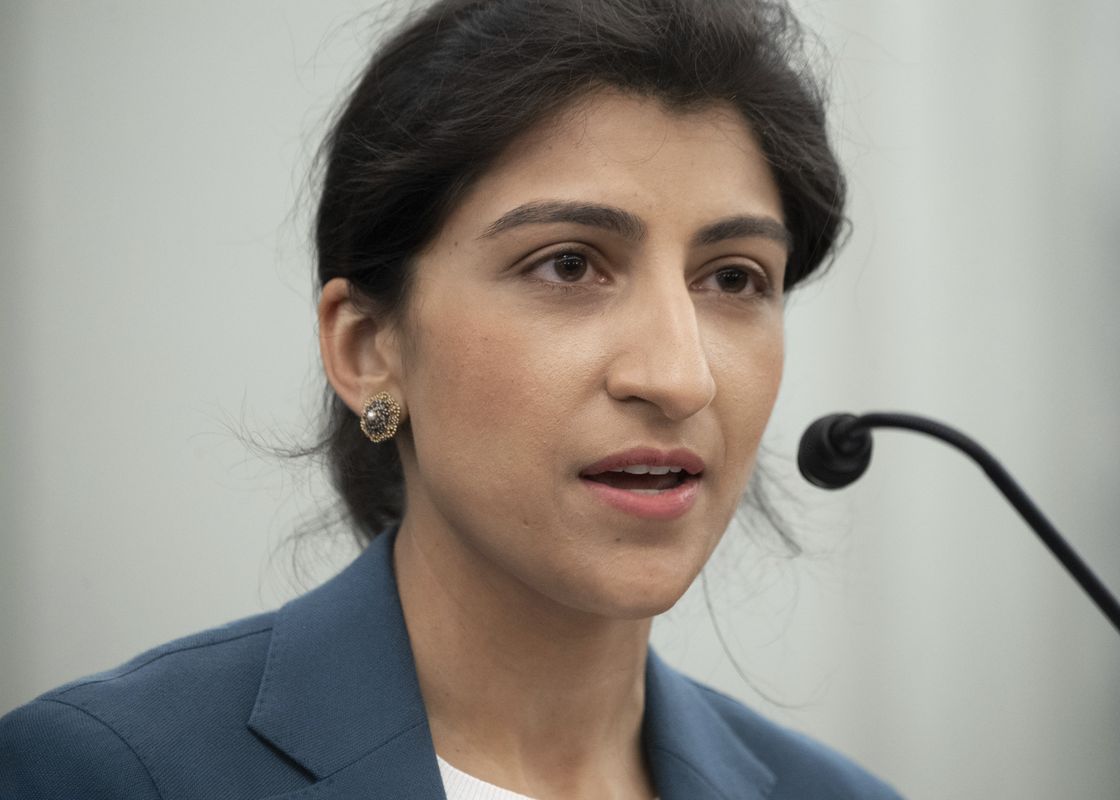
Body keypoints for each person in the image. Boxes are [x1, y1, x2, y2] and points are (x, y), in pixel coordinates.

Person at [0, 0, 902, 797]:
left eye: (736, 279)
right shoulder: (102, 773)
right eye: (569, 263)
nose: (679, 377)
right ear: (368, 351)